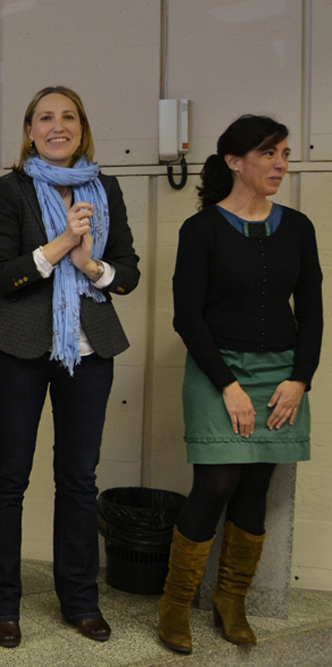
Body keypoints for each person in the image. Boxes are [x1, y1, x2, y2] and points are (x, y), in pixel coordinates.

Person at [0, 86, 140, 648]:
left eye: (68, 116)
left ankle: (80, 600)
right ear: (29, 131)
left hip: (89, 351)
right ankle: (1, 604)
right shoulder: (8, 190)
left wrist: (91, 264)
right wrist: (59, 244)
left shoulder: (106, 187)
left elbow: (129, 272)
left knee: (78, 479)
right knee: (8, 479)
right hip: (21, 349)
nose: (57, 126)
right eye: (45, 117)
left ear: (82, 127)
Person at [159, 115, 323, 654]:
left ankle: (233, 601)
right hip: (216, 370)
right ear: (235, 162)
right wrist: (228, 384)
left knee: (257, 485)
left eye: (285, 154)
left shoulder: (298, 227)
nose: (281, 163)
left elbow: (314, 314)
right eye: (269, 153)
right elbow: (188, 317)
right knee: (216, 484)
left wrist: (299, 380)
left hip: (282, 375)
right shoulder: (201, 229)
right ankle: (176, 605)